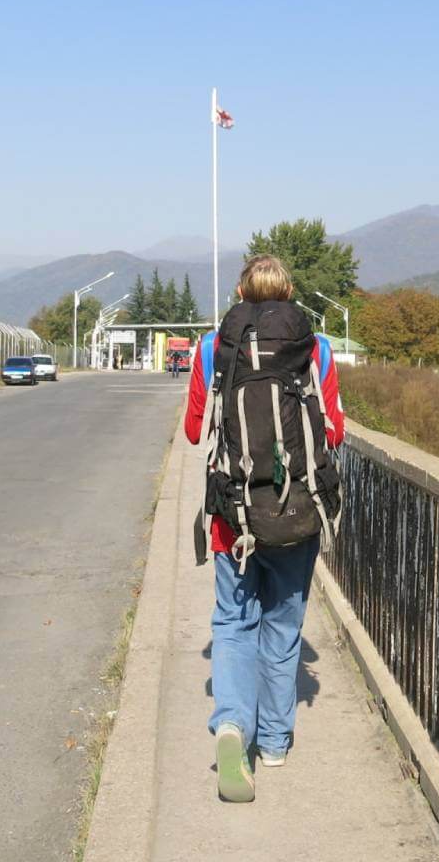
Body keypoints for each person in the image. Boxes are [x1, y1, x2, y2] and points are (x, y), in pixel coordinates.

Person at [184, 254, 344, 803]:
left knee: (232, 623)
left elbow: (191, 431)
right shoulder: (315, 349)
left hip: (232, 518)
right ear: (289, 293)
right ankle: (274, 741)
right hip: (296, 514)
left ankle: (232, 728)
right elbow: (335, 429)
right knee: (282, 626)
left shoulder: (211, 349)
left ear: (239, 293)